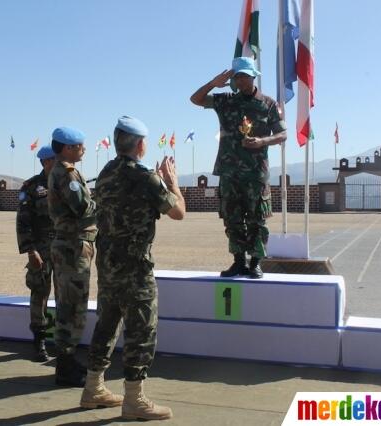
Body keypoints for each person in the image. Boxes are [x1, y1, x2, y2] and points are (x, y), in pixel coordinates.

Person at [80, 116, 185, 421]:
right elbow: (178, 211)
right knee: (141, 328)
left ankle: (93, 388)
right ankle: (134, 399)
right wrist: (171, 181)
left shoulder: (107, 172)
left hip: (109, 263)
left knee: (107, 323)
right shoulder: (143, 177)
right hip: (135, 266)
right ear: (140, 145)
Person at [190, 56, 287, 279]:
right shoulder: (226, 101)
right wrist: (214, 83)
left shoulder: (268, 104)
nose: (241, 81)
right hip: (228, 170)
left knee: (256, 219)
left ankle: (255, 262)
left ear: (254, 77)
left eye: (245, 76)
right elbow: (195, 99)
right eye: (237, 77)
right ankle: (238, 261)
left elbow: (283, 134)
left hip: (255, 172)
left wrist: (262, 141)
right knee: (232, 218)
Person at [47, 126, 97, 387]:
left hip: (71, 245)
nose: (83, 149)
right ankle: (65, 367)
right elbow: (82, 208)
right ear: (67, 148)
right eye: (79, 145)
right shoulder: (67, 174)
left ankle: (67, 362)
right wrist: (104, 199)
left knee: (71, 304)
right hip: (72, 247)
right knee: (72, 306)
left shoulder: (65, 171)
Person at [16, 146, 56, 362]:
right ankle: (39, 341)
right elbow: (23, 221)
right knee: (39, 293)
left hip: (65, 248)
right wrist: (30, 250)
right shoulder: (31, 187)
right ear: (47, 161)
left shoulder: (68, 183)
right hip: (41, 249)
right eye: (56, 159)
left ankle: (65, 343)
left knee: (67, 294)